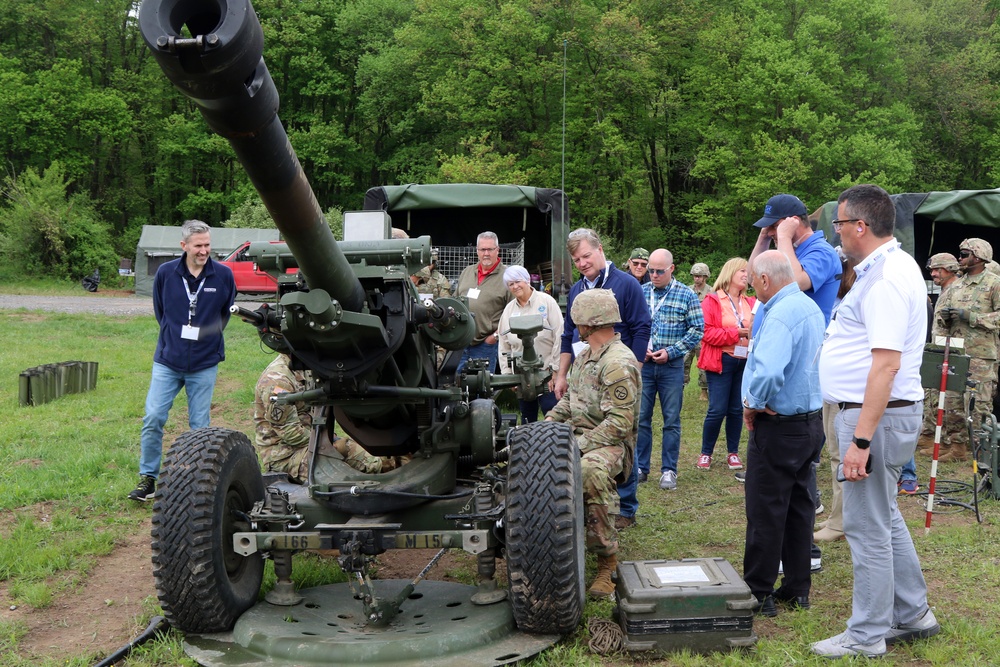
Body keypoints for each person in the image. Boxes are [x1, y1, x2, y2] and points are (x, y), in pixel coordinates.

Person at [813, 184, 939, 658]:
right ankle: (913, 614)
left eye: (839, 225)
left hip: (874, 418)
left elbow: (884, 365)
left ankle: (866, 635)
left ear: (859, 227)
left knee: (867, 530)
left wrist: (860, 439)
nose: (837, 234)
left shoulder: (885, 278)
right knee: (883, 518)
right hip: (883, 415)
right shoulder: (889, 267)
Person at [740, 251, 825, 617]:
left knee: (766, 508)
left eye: (751, 280)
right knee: (799, 507)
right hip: (809, 424)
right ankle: (797, 587)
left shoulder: (778, 315)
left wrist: (752, 402)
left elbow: (770, 370)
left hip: (779, 427)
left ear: (763, 279)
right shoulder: (809, 307)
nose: (750, 287)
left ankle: (759, 592)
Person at [128, 220, 236, 501]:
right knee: (153, 418)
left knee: (199, 427)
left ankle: (197, 483)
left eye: (207, 245)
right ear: (184, 246)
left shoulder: (223, 275)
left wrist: (206, 339)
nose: (204, 250)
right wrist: (175, 337)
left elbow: (225, 314)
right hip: (168, 361)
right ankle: (148, 479)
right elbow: (160, 312)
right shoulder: (166, 273)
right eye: (198, 245)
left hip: (204, 363)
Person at [545, 289, 641, 598]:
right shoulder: (584, 357)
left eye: (578, 320)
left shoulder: (617, 363)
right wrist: (546, 426)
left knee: (589, 472)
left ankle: (607, 563)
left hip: (610, 444)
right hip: (580, 437)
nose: (575, 326)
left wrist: (576, 447)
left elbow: (620, 424)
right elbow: (569, 403)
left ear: (590, 322)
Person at [555, 228, 650, 530]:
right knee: (587, 426)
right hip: (585, 367)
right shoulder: (577, 290)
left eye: (585, 255)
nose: (581, 262)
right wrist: (562, 374)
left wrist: (629, 368)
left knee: (622, 432)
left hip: (616, 368)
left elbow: (641, 326)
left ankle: (627, 506)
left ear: (599, 250)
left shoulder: (626, 284)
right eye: (576, 259)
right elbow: (569, 333)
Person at [254, 354, 388, 482]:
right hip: (286, 456)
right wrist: (328, 444)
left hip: (313, 442)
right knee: (342, 481)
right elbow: (291, 434)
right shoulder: (277, 381)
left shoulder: (306, 366)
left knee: (370, 460)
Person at [635, 249, 704, 491]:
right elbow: (630, 325)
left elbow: (697, 329)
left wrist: (672, 351)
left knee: (671, 420)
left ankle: (669, 470)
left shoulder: (686, 295)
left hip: (671, 366)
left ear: (671, 269)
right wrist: (639, 347)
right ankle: (641, 467)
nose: (653, 275)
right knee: (641, 417)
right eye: (650, 270)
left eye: (659, 271)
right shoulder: (640, 293)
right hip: (644, 366)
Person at [930, 238, 1000, 462]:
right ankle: (958, 448)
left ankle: (982, 451)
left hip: (980, 355)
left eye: (963, 254)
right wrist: (946, 318)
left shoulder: (993, 283)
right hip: (956, 353)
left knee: (978, 403)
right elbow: (943, 319)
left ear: (978, 257)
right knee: (953, 402)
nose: (959, 259)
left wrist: (972, 317)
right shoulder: (956, 285)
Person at [815, 255, 859, 542]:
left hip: (849, 390)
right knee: (833, 454)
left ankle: (842, 522)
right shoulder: (837, 300)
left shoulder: (857, 299)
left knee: (841, 457)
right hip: (831, 387)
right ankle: (838, 517)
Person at [697, 258, 755, 471]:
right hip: (722, 360)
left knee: (736, 409)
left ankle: (733, 453)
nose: (746, 274)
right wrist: (736, 333)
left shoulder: (750, 302)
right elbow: (707, 333)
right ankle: (706, 453)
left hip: (744, 362)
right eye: (742, 270)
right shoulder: (713, 301)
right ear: (730, 273)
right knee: (717, 409)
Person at [497, 265, 564, 423]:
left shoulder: (546, 302)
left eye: (518, 281)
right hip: (522, 377)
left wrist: (556, 371)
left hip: (547, 374)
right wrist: (508, 376)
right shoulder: (508, 310)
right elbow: (503, 344)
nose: (515, 286)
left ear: (527, 280)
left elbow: (559, 335)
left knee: (553, 418)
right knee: (527, 421)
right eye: (510, 284)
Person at [456, 231, 512, 373]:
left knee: (482, 388)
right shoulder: (467, 272)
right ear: (477, 251)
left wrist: (494, 337)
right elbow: (455, 301)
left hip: (485, 345)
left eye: (490, 249)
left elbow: (514, 313)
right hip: (461, 343)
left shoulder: (508, 277)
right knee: (457, 386)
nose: (486, 253)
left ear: (497, 250)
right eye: (482, 249)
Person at [684, 262, 712, 400]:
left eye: (699, 276)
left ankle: (704, 390)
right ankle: (679, 387)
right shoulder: (687, 290)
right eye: (695, 276)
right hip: (688, 332)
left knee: (703, 362)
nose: (697, 279)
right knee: (683, 361)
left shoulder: (711, 292)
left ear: (705, 276)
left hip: (703, 332)